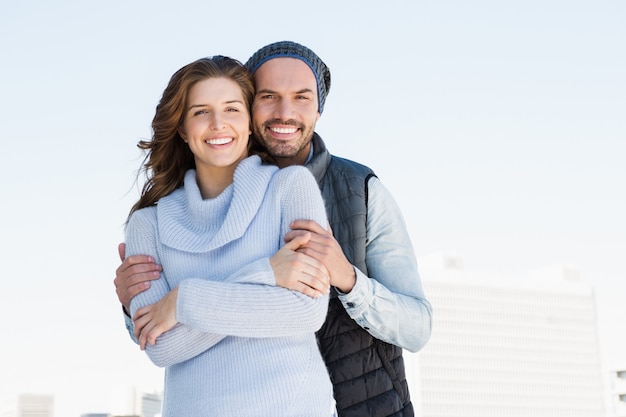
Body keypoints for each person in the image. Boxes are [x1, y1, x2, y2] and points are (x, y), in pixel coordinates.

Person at [116, 41, 433, 417]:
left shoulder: (354, 190)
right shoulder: (152, 220)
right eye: (269, 96)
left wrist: (347, 277)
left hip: (364, 406)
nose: (285, 111)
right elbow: (159, 339)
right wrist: (137, 307)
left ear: (319, 108)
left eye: (301, 97)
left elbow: (411, 326)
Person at [123, 55, 336, 417]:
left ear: (250, 122)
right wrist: (265, 274)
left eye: (232, 109)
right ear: (182, 129)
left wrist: (182, 303)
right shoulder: (147, 225)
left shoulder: (290, 187)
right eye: (201, 112)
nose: (218, 124)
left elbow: (305, 310)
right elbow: (162, 345)